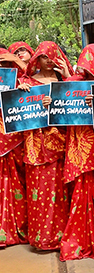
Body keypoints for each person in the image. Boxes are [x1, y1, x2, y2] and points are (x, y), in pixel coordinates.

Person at [60, 44, 94, 260]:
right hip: (81, 145)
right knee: (84, 191)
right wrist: (50, 103)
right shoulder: (74, 83)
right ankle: (85, 239)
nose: (88, 68)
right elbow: (61, 108)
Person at [20, 41, 73, 250]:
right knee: (38, 189)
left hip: (60, 142)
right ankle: (41, 238)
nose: (49, 61)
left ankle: (60, 236)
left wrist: (67, 75)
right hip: (36, 143)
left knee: (59, 191)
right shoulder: (27, 81)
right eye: (44, 57)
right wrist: (22, 92)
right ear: (37, 59)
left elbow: (76, 101)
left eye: (53, 56)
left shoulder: (64, 79)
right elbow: (18, 108)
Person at [0, 50, 29, 247]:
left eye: (6, 64)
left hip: (15, 138)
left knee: (18, 182)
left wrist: (22, 89)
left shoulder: (20, 81)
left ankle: (20, 226)